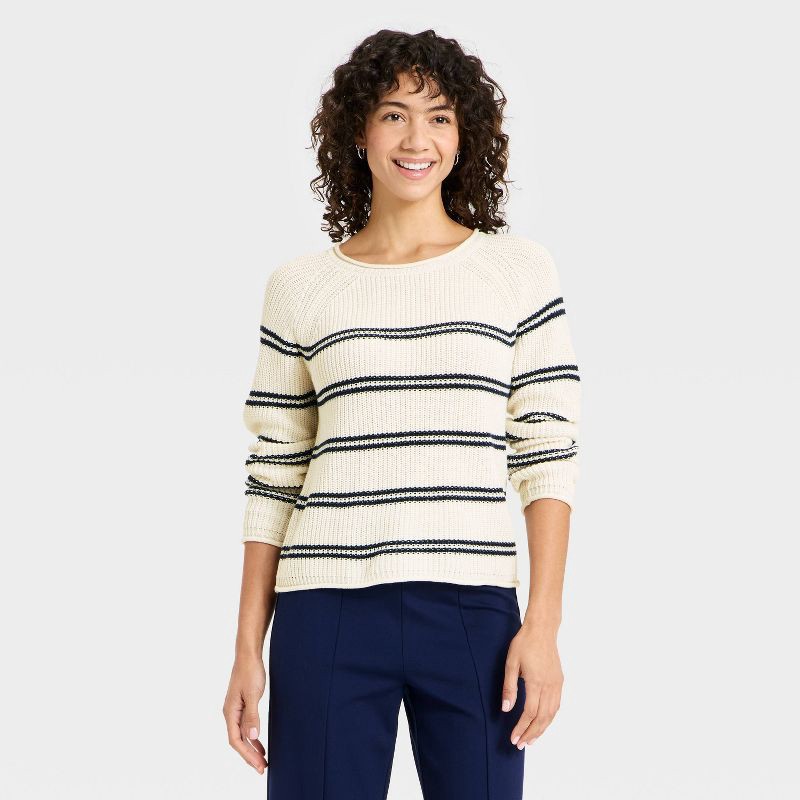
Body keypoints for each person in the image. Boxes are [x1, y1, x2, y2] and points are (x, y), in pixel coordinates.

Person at [223, 28, 581, 800]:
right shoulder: (300, 287)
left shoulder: (517, 271)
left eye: (439, 117)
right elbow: (275, 469)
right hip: (326, 608)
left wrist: (544, 623)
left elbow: (547, 449)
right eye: (394, 115)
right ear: (358, 131)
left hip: (474, 610)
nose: (417, 139)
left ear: (465, 134)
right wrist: (248, 647)